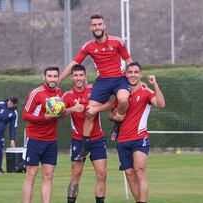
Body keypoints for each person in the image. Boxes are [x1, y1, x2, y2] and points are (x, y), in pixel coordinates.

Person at [60, 13, 133, 160]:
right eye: (94, 25)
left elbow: (129, 60)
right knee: (89, 111)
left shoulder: (117, 42)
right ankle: (85, 147)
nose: (97, 27)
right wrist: (58, 81)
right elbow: (74, 64)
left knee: (123, 99)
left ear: (104, 26)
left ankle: (118, 121)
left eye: (99, 24)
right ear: (91, 28)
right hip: (102, 81)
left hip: (119, 79)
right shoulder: (88, 46)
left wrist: (135, 80)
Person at [110, 62, 165, 203]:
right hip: (122, 140)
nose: (133, 75)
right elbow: (112, 114)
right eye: (130, 72)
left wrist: (155, 85)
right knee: (129, 174)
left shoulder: (146, 91)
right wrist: (114, 117)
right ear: (126, 74)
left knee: (139, 171)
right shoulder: (121, 94)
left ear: (140, 74)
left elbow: (161, 104)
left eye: (136, 72)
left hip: (140, 138)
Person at [62, 64, 111, 203]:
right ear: (71, 77)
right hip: (78, 139)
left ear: (85, 76)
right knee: (76, 174)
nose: (79, 78)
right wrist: (72, 109)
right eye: (76, 75)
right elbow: (59, 114)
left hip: (97, 139)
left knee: (102, 174)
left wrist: (97, 109)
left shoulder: (94, 90)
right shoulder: (67, 95)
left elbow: (111, 103)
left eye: (81, 75)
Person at [21, 66, 63, 203]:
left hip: (51, 141)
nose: (52, 79)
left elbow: (59, 114)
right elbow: (25, 115)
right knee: (31, 174)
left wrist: (61, 112)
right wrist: (43, 118)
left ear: (58, 77)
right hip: (35, 139)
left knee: (48, 175)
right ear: (44, 77)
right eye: (49, 76)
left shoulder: (59, 92)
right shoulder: (36, 93)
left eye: (55, 76)